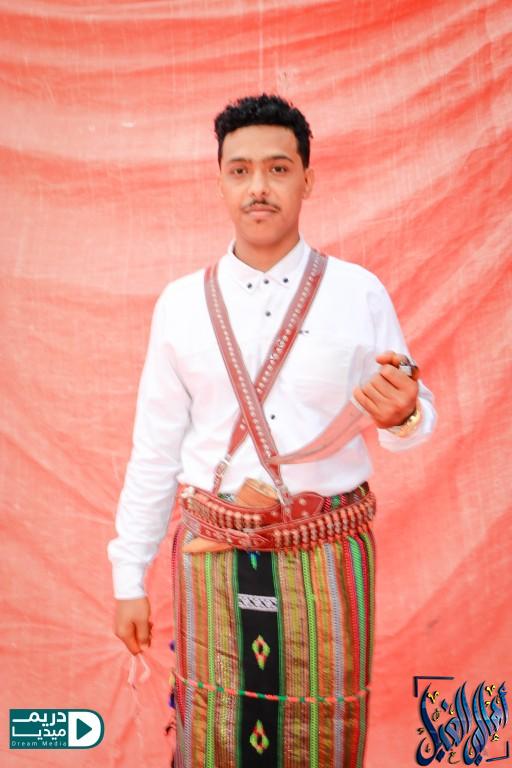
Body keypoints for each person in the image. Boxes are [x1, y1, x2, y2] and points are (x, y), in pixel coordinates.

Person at [107, 93, 436, 767]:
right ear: (220, 181)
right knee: (214, 736)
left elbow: (411, 416)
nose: (259, 186)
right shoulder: (179, 304)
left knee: (324, 737)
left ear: (307, 180)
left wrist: (402, 412)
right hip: (212, 555)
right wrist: (128, 577)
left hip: (327, 556)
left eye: (279, 169)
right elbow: (155, 450)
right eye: (241, 170)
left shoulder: (359, 292)